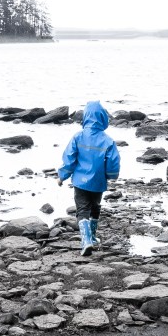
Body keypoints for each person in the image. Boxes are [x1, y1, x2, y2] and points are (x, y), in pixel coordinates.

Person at [58, 101, 121, 256]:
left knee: (82, 209)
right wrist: (111, 176)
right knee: (95, 206)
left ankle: (86, 241)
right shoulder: (107, 140)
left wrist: (62, 176)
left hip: (80, 182)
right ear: (103, 118)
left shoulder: (78, 137)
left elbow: (69, 158)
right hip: (98, 181)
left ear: (85, 117)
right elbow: (113, 161)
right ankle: (92, 237)